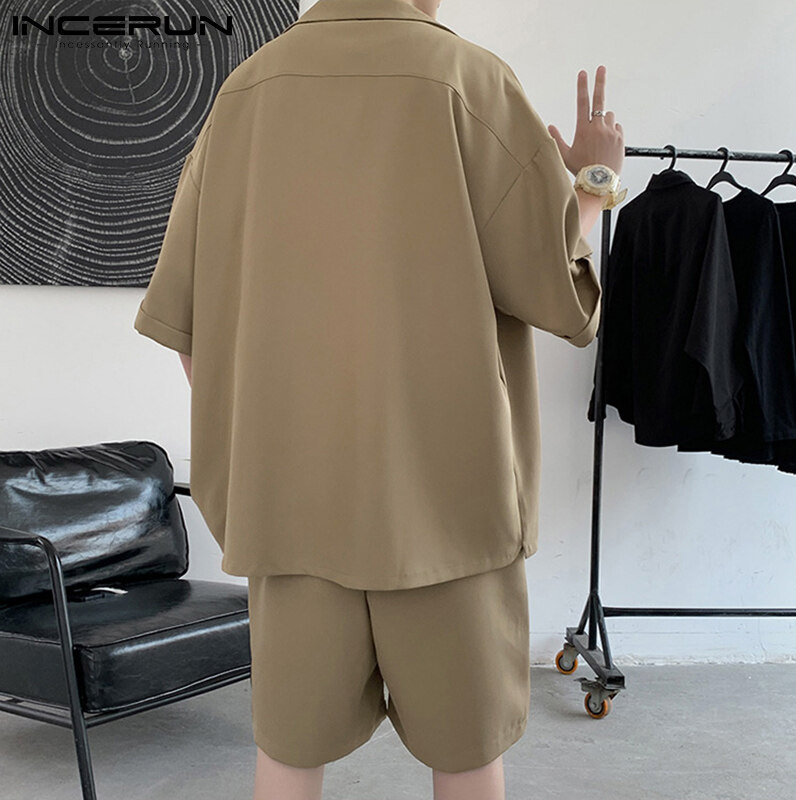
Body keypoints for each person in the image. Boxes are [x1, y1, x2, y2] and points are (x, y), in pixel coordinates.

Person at [133, 1, 625, 798]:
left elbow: (190, 330)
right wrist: (594, 182)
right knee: (466, 757)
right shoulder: (469, 82)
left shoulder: (246, 92)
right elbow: (564, 297)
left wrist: (278, 431)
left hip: (293, 512)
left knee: (289, 756)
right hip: (447, 514)